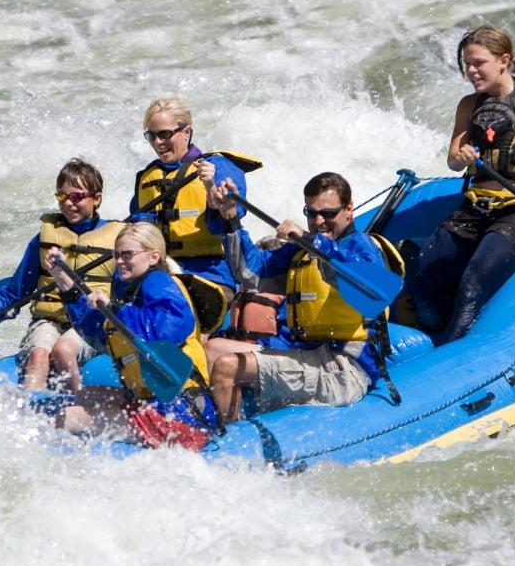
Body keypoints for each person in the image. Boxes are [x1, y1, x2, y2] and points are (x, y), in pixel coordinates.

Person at [404, 24, 515, 344]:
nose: (471, 70)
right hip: (475, 206)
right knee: (424, 280)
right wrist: (463, 156)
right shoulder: (469, 106)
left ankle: (450, 348)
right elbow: (453, 159)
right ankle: (430, 338)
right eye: (467, 63)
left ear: (503, 61)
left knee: (473, 282)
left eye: (478, 62)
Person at [206, 172, 401, 422]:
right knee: (213, 349)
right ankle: (215, 422)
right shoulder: (301, 251)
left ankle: (232, 446)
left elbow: (372, 289)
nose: (319, 221)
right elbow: (250, 271)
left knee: (226, 367)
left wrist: (313, 241)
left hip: (344, 369)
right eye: (311, 213)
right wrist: (231, 219)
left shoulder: (361, 246)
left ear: (349, 210)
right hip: (309, 354)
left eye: (328, 213)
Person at [42, 222, 218, 450]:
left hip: (181, 420)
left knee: (64, 417)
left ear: (154, 256)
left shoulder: (159, 282)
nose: (120, 261)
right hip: (157, 407)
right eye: (117, 255)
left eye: (128, 254)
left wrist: (116, 309)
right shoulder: (133, 292)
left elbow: (166, 328)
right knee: (84, 395)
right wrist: (64, 282)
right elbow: (97, 332)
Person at [0, 159, 123, 391]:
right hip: (49, 320)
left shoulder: (117, 239)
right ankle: (29, 410)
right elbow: (18, 290)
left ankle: (75, 407)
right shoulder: (45, 238)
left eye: (77, 197)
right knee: (39, 356)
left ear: (97, 199)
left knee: (64, 350)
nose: (69, 204)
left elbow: (127, 291)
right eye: (62, 197)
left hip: (91, 324)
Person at [130, 94, 259, 319]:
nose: (158, 142)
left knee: (178, 306)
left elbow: (232, 215)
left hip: (210, 276)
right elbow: (137, 233)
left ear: (186, 132)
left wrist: (212, 189)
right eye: (151, 135)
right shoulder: (146, 178)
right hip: (162, 273)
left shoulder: (218, 166)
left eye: (165, 134)